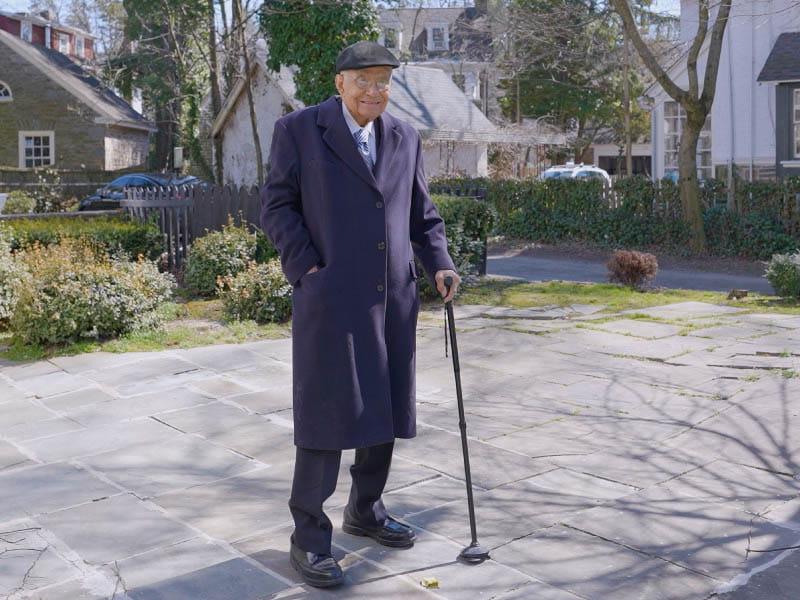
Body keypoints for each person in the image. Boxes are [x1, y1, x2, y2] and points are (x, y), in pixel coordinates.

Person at [259, 40, 460, 588]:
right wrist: (306, 270)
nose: (375, 90)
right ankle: (308, 538)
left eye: (383, 81)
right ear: (340, 82)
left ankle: (365, 510)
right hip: (330, 298)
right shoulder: (300, 131)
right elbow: (276, 205)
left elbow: (422, 214)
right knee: (326, 416)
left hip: (391, 297)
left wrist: (438, 262)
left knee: (384, 409)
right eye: (364, 80)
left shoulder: (404, 137)